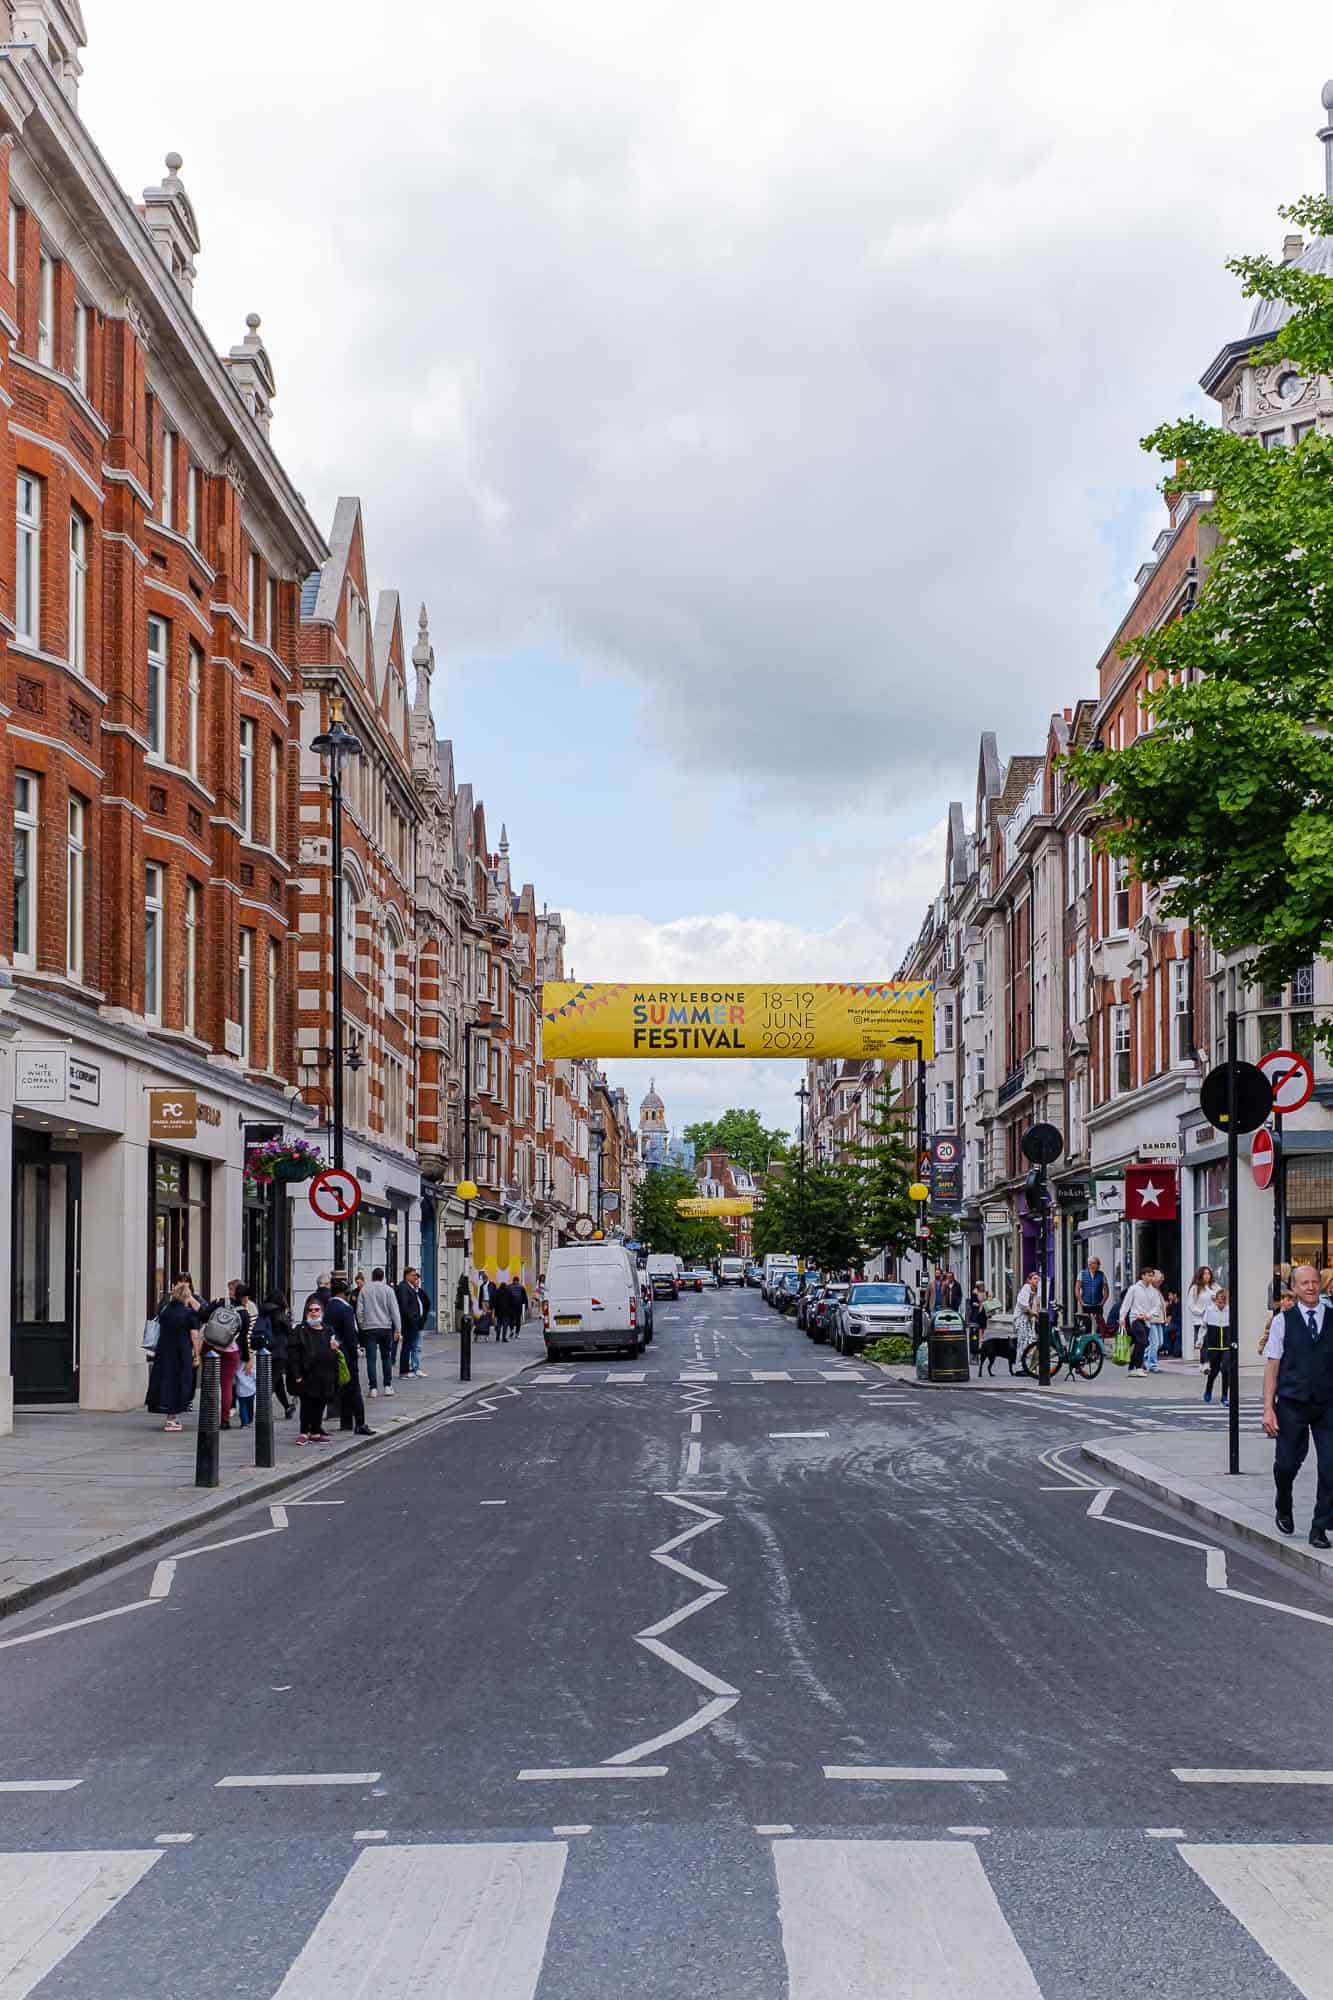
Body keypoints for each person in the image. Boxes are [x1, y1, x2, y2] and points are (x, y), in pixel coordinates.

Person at [1264, 1263, 1333, 1548]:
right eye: (1303, 1283)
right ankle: (1284, 1499)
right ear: (1294, 1287)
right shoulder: (1283, 1320)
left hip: (1328, 1402)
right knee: (1288, 1463)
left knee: (1331, 1464)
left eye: (1314, 1281)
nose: (1310, 1287)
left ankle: (1320, 1526)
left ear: (1321, 1284)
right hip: (1292, 1401)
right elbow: (1272, 1365)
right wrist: (1268, 1408)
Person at [145, 1279, 201, 1432]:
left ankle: (171, 1416)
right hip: (182, 1352)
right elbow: (194, 1335)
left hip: (164, 1351)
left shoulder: (166, 1311)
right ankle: (173, 1417)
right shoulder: (189, 1314)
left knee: (167, 1381)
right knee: (181, 1382)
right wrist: (197, 1355)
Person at [327, 1278, 374, 1435]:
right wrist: (356, 1352)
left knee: (343, 1389)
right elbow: (350, 1334)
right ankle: (360, 1424)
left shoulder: (327, 1306)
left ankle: (346, 1423)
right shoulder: (345, 1309)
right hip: (347, 1354)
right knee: (354, 1389)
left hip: (333, 1352)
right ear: (343, 1293)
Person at [291, 1298, 339, 1443]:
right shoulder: (300, 1331)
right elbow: (293, 1354)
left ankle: (316, 1431)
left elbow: (335, 1350)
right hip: (308, 1374)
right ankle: (304, 1432)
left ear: (322, 1312)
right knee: (307, 1403)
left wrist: (336, 1348)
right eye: (310, 1310)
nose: (313, 1313)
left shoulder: (328, 1330)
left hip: (326, 1373)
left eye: (316, 1310)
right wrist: (297, 1374)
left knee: (321, 1402)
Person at [357, 1265, 401, 1398]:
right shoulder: (388, 1290)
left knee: (371, 1359)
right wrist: (398, 1329)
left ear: (372, 1277)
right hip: (385, 1327)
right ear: (383, 1277)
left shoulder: (364, 1290)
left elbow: (359, 1311)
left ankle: (373, 1388)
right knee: (386, 1357)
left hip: (369, 1327)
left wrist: (362, 1325)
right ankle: (387, 1386)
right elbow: (394, 1310)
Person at [1119, 1266, 1166, 1376]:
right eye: (1148, 1275)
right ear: (1143, 1276)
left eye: (1152, 1276)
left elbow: (1157, 1306)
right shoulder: (1134, 1289)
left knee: (1140, 1343)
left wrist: (1148, 1315)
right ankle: (1139, 1367)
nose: (1150, 1278)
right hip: (1135, 1318)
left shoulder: (1153, 1291)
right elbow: (1126, 1304)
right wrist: (1122, 1318)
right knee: (1142, 1340)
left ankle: (1132, 1368)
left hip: (1147, 1320)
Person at [259, 1291, 296, 1419]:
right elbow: (290, 1332)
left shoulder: (263, 1312)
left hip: (266, 1349)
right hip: (279, 1351)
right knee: (272, 1382)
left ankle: (287, 1406)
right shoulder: (280, 1314)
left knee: (278, 1381)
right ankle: (262, 1410)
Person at [396, 1267, 431, 1378]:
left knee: (414, 1346)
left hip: (415, 1323)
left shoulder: (411, 1288)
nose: (415, 1277)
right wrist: (413, 1320)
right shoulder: (403, 1287)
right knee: (407, 1347)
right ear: (406, 1276)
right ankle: (404, 1371)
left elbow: (425, 1303)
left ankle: (413, 1368)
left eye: (416, 1275)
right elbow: (404, 1307)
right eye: (413, 1275)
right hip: (410, 1324)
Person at [1201, 1287, 1232, 1403]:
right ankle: (1208, 1390)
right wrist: (1200, 1341)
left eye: (1224, 1303)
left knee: (1226, 1370)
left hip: (1226, 1345)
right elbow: (1203, 1327)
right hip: (1213, 1345)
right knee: (1213, 1371)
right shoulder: (1210, 1310)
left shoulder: (1230, 1311)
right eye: (1219, 1302)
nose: (1221, 1305)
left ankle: (1224, 1396)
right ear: (1215, 1301)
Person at [1186, 1267, 1216, 1356]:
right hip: (1200, 1320)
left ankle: (1211, 1364)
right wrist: (1201, 1311)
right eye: (1205, 1274)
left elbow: (1222, 1296)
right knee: (1203, 1342)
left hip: (1213, 1319)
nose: (1207, 1276)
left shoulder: (1214, 1286)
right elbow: (1190, 1304)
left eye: (1208, 1273)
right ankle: (1204, 1365)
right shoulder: (1195, 1288)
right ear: (1200, 1275)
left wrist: (1216, 1298)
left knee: (1212, 1343)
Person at [1077, 1257, 1109, 1334]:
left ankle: (1097, 1344)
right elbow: (1077, 1289)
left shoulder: (1101, 1275)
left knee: (1099, 1325)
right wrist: (1081, 1302)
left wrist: (1102, 1303)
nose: (1099, 1265)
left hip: (1098, 1304)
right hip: (1086, 1304)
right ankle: (1088, 1344)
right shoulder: (1082, 1274)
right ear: (1091, 1264)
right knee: (1087, 1325)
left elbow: (1106, 1290)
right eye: (1097, 1263)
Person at [1013, 1272, 1038, 1369]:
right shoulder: (1026, 1288)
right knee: (1023, 1343)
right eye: (1035, 1278)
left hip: (1027, 1320)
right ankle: (1020, 1367)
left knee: (1030, 1341)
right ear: (1029, 1280)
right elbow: (1023, 1304)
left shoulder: (1033, 1291)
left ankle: (1026, 1366)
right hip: (1021, 1319)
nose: (1037, 1281)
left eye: (1038, 1279)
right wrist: (1033, 1313)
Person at [454, 1269, 471, 1333]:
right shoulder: (464, 1288)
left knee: (460, 1318)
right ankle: (463, 1328)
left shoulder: (460, 1288)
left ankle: (461, 1328)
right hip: (463, 1305)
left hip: (461, 1306)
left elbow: (458, 1296)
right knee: (463, 1317)